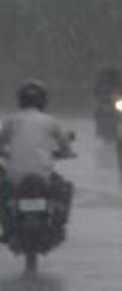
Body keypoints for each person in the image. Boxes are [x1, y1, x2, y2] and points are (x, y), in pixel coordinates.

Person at [0, 81, 76, 243]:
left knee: (3, 194)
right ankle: (58, 224)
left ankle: (6, 227)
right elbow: (65, 146)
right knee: (65, 190)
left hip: (15, 175)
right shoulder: (50, 121)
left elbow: (1, 143)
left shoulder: (12, 121)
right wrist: (66, 153)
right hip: (43, 173)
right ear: (43, 100)